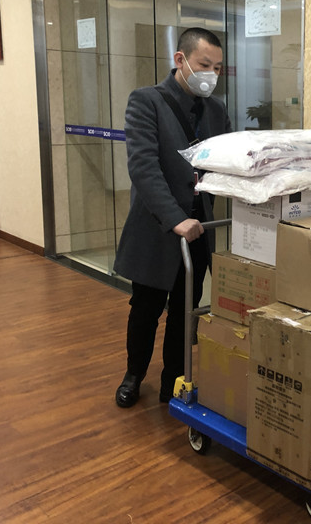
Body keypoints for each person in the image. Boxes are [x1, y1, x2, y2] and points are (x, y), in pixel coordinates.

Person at [113, 28, 232, 408]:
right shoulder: (146, 101)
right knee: (145, 309)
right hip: (158, 226)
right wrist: (174, 217)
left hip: (198, 229)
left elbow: (226, 162)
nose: (211, 74)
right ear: (180, 60)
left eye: (217, 68)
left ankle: (173, 382)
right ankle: (134, 375)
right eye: (204, 65)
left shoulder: (217, 110)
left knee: (185, 311)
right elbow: (144, 167)